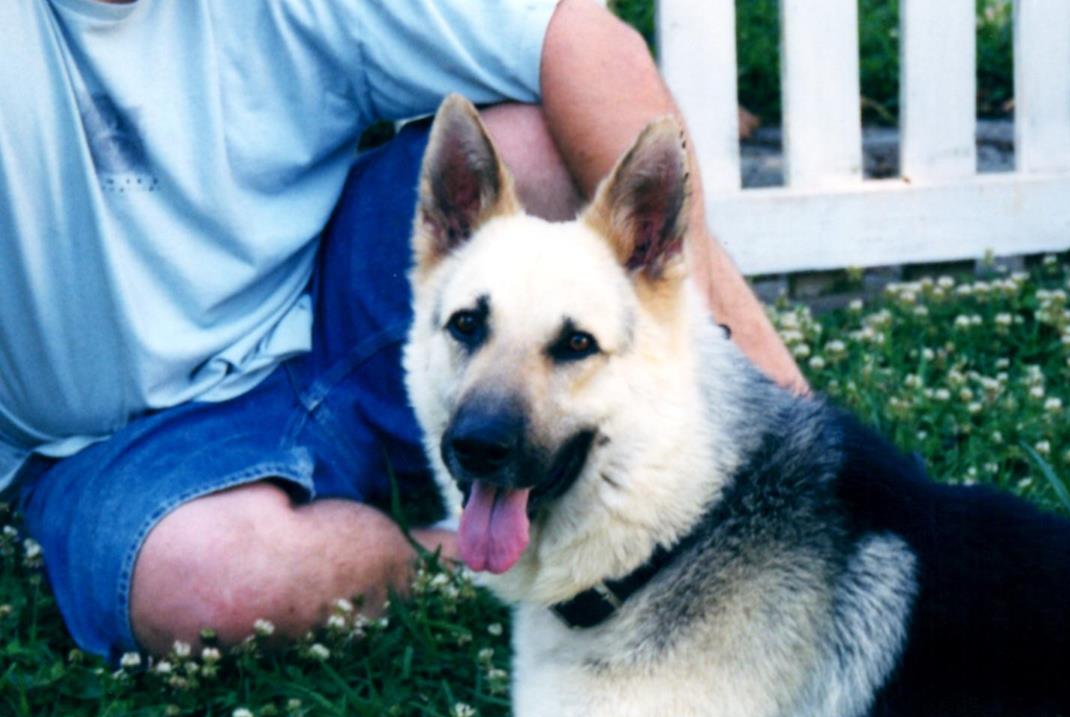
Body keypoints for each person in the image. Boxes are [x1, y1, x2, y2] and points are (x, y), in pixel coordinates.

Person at [0, 0, 803, 659]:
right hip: (118, 441)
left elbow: (574, 33)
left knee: (540, 142)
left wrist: (775, 411)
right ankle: (474, 552)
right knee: (208, 581)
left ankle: (650, 471)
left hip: (330, 320)